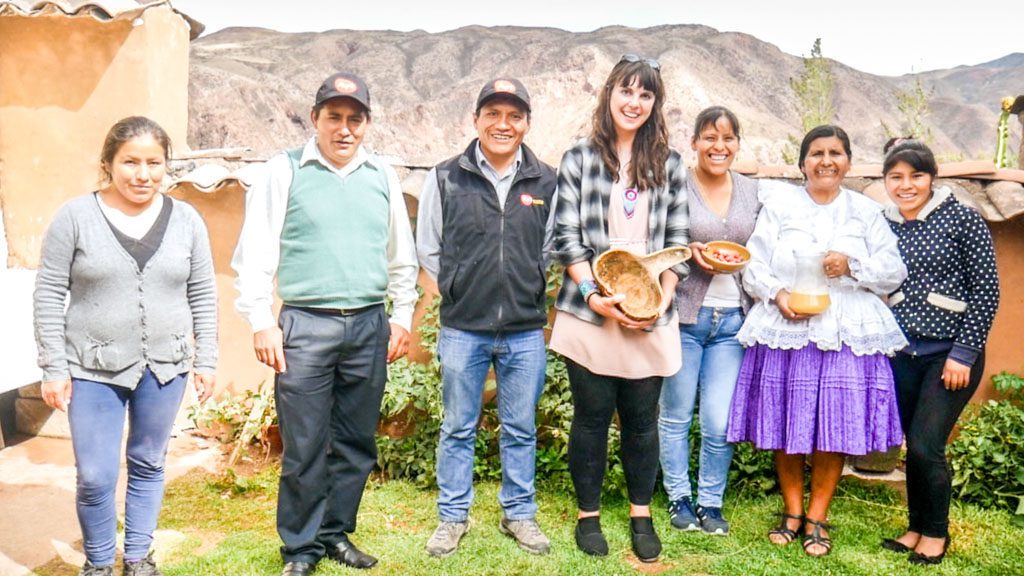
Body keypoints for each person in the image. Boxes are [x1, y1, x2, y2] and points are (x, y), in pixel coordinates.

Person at [232, 72, 418, 576]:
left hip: (366, 326)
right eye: (333, 117)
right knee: (305, 443)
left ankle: (336, 534)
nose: (344, 128)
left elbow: (402, 257)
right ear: (314, 119)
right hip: (304, 328)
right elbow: (255, 256)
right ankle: (299, 548)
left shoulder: (381, 175)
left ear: (366, 124)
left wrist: (400, 316)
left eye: (354, 119)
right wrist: (261, 321)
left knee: (355, 441)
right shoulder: (283, 171)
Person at [34, 116, 217, 576]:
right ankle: (98, 563)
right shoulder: (75, 217)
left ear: (166, 166)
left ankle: (137, 556)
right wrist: (53, 366)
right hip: (91, 369)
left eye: (154, 163)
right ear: (108, 164)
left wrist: (207, 358)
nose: (143, 174)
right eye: (130, 162)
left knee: (149, 462)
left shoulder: (187, 220)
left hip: (166, 367)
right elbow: (49, 293)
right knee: (95, 476)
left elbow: (203, 293)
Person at [727, 124, 907, 557]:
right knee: (789, 422)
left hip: (844, 332)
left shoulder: (866, 212)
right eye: (816, 153)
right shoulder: (782, 209)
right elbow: (753, 265)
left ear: (847, 161)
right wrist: (778, 294)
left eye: (835, 153)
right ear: (803, 162)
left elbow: (893, 270)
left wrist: (852, 265)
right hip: (787, 329)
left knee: (833, 426)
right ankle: (791, 512)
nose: (826, 161)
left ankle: (818, 517)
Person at [549, 54, 689, 563]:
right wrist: (594, 296)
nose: (634, 102)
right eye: (626, 91)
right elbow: (566, 237)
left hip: (650, 312)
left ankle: (640, 513)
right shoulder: (580, 158)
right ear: (609, 95)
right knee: (589, 417)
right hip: (589, 309)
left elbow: (678, 243)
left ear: (655, 104)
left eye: (645, 94)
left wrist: (659, 302)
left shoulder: (671, 166)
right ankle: (588, 515)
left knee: (641, 419)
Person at [416, 78, 557, 557]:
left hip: (524, 329)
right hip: (462, 329)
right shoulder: (445, 177)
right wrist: (457, 288)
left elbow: (551, 246)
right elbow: (428, 248)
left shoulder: (546, 180)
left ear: (526, 124)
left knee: (520, 427)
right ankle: (452, 518)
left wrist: (529, 281)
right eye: (493, 114)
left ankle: (519, 513)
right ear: (476, 120)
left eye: (514, 115)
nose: (503, 124)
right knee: (458, 425)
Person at [880, 139, 999, 565]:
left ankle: (936, 534)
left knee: (929, 444)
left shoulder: (962, 220)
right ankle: (914, 527)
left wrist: (962, 354)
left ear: (932, 177)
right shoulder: (884, 223)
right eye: (896, 176)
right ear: (885, 180)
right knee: (914, 444)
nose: (906, 185)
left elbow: (986, 293)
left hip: (949, 355)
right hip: (903, 354)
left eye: (916, 175)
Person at [658, 106, 761, 536]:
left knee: (719, 420)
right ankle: (679, 497)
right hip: (684, 316)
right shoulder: (675, 184)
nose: (719, 147)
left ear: (737, 143)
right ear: (695, 143)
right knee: (676, 414)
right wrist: (690, 250)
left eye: (727, 138)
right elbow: (659, 239)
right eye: (709, 138)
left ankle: (711, 502)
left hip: (733, 321)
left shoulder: (754, 192)